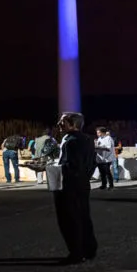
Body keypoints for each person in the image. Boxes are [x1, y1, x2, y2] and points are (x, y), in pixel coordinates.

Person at [54, 112, 98, 264]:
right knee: (83, 216)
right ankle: (89, 249)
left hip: (68, 185)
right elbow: (92, 162)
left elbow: (71, 166)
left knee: (69, 219)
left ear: (72, 124)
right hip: (82, 184)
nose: (59, 124)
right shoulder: (87, 139)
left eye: (63, 121)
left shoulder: (71, 141)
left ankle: (76, 253)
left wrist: (47, 169)